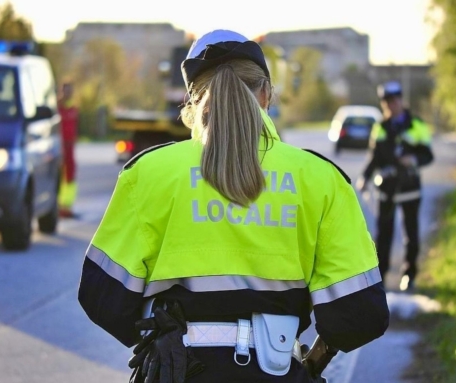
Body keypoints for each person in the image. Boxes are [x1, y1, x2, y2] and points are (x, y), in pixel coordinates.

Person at [78, 29, 389, 383]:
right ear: (267, 94)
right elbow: (361, 315)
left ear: (191, 103)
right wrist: (308, 361)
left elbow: (101, 297)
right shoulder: (321, 179)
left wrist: (158, 337)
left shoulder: (147, 174)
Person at [356, 81, 434, 291]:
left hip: (410, 187)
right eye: (386, 102)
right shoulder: (380, 127)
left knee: (411, 235)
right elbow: (374, 157)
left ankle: (409, 275)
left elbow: (428, 155)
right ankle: (381, 278)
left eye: (394, 100)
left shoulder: (416, 124)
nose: (391, 105)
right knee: (383, 236)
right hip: (386, 189)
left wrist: (414, 159)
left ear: (401, 100)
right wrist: (364, 177)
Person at [57, 81, 79, 218]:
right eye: (66, 90)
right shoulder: (57, 109)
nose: (68, 93)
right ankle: (58, 206)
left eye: (70, 90)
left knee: (70, 176)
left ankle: (67, 206)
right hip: (58, 148)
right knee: (58, 176)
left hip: (70, 148)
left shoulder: (74, 109)